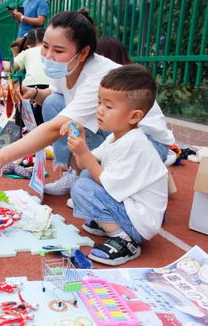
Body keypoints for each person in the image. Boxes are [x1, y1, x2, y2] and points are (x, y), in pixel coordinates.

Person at [0, 10, 174, 194]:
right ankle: (75, 173)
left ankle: (121, 178)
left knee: (88, 182)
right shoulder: (65, 67)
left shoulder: (98, 77)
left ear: (83, 52)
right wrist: (32, 92)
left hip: (146, 145)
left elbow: (54, 129)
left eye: (58, 51)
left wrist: (0, 157)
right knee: (53, 102)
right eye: (45, 47)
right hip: (117, 136)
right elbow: (54, 96)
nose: (48, 56)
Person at [69, 65, 167, 266]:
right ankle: (108, 223)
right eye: (99, 102)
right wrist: (81, 142)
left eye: (109, 106)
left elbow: (107, 183)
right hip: (129, 207)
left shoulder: (134, 144)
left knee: (82, 187)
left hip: (140, 222)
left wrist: (85, 153)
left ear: (134, 116)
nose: (99, 110)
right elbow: (83, 164)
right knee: (86, 177)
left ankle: (125, 240)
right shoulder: (116, 137)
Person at [13, 27, 50, 125]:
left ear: (28, 45)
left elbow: (12, 66)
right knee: (43, 122)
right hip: (49, 89)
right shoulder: (51, 51)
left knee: (23, 123)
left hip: (29, 87)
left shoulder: (26, 52)